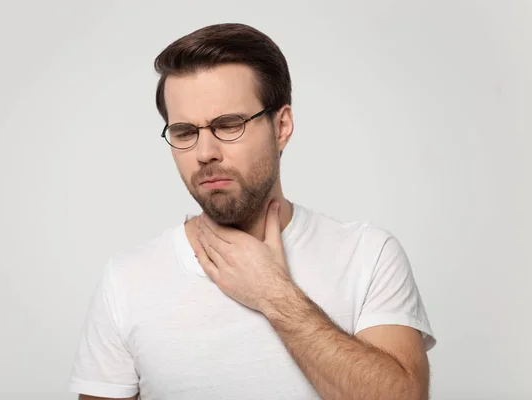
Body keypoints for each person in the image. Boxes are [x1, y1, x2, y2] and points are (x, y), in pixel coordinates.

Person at [68, 22, 436, 400]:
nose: (204, 152)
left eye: (228, 125)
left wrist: (273, 293)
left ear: (282, 127)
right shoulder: (126, 281)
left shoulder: (368, 255)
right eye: (183, 132)